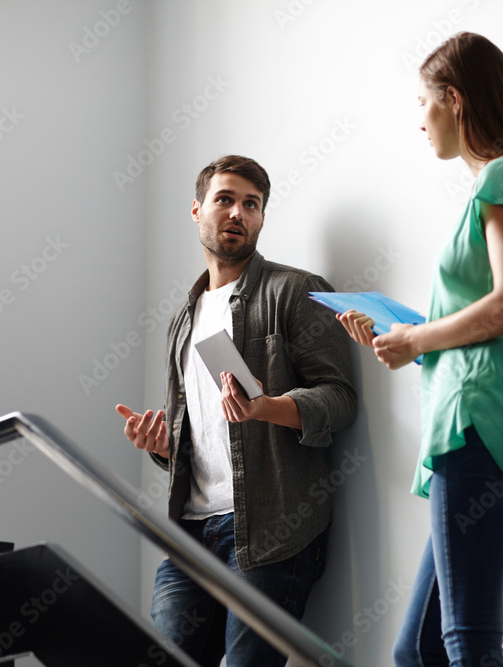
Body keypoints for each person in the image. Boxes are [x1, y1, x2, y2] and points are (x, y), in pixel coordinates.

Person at [337, 33, 503, 666]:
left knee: (467, 643)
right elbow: (497, 319)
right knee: (416, 649)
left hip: (480, 430)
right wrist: (408, 340)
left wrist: (418, 337)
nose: (419, 121)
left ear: (453, 98)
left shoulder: (502, 178)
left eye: (423, 102)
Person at [116, 155, 357, 667]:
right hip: (190, 534)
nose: (238, 213)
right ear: (198, 209)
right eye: (225, 199)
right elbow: (197, 435)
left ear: (262, 218)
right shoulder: (182, 320)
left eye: (252, 204)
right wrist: (162, 447)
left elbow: (339, 401)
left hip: (272, 531)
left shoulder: (296, 291)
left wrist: (268, 407)